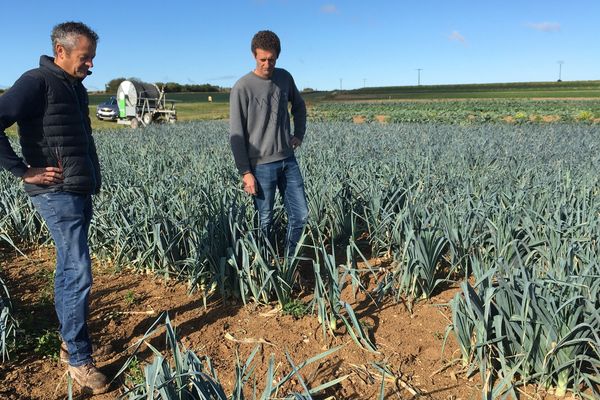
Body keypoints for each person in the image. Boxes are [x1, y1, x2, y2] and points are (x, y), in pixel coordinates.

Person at [0, 22, 108, 394]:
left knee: (68, 266)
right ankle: (79, 358)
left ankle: (68, 344)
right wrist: (21, 170)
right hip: (55, 192)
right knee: (79, 271)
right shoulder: (36, 81)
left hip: (77, 189)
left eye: (92, 57)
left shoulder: (74, 87)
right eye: (85, 57)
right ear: (60, 52)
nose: (91, 65)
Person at [229, 30, 308, 258]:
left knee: (300, 215)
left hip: (288, 161)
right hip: (261, 167)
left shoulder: (284, 78)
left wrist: (298, 134)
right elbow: (236, 133)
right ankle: (265, 269)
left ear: (278, 57)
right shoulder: (242, 87)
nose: (267, 64)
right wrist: (246, 172)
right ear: (254, 56)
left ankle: (289, 263)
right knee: (264, 221)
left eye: (271, 59)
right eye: (262, 59)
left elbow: (300, 107)